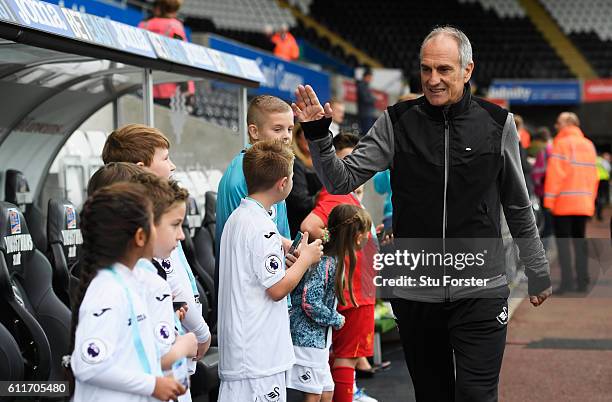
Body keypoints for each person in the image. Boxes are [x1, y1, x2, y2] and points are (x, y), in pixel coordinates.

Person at [291, 26, 551, 401]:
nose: (433, 79)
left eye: (444, 70)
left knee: (477, 395)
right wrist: (318, 135)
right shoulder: (396, 122)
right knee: (433, 394)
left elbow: (517, 203)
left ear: (467, 70)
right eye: (426, 69)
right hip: (416, 289)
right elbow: (340, 180)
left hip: (481, 285)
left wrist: (537, 269)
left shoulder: (498, 124)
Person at [217, 140, 323, 402]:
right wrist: (305, 260)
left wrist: (287, 248)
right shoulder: (259, 227)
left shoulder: (243, 217)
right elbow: (277, 289)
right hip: (257, 355)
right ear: (283, 183)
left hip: (247, 352)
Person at [102, 124, 211, 375]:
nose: (172, 166)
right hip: (175, 343)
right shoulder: (152, 218)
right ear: (142, 169)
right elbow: (173, 281)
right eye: (165, 158)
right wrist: (201, 333)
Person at [69, 183, 186, 402]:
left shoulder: (130, 283)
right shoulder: (108, 290)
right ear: (140, 237)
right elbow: (88, 366)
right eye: (153, 222)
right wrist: (152, 385)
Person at [301, 133, 379, 402]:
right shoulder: (336, 193)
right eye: (346, 161)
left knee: (343, 357)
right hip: (354, 292)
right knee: (347, 357)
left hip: (355, 289)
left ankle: (350, 393)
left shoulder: (348, 195)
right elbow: (309, 226)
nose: (353, 167)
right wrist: (337, 239)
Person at [286, 204, 373, 402]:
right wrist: (336, 318)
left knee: (327, 392)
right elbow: (310, 302)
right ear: (356, 236)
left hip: (319, 341)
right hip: (307, 340)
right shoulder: (325, 263)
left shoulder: (332, 260)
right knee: (314, 395)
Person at [544, 112, 599, 293]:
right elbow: (594, 176)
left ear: (568, 123)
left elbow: (555, 176)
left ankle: (567, 283)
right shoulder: (589, 145)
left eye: (559, 122)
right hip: (583, 202)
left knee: (563, 244)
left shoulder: (561, 144)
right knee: (579, 241)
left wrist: (549, 201)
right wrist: (591, 200)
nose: (556, 125)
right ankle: (583, 281)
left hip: (563, 203)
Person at [139, 0, 195, 108]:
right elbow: (180, 57)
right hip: (175, 90)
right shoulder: (175, 26)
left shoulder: (144, 25)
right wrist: (186, 89)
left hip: (149, 87)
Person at [286, 123, 323, 237]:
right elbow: (300, 200)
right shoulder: (296, 163)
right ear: (297, 138)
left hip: (314, 222)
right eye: (306, 136)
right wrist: (325, 199)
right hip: (300, 226)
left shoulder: (319, 162)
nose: (310, 140)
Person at [356, 68, 377, 133]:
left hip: (368, 113)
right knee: (366, 132)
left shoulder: (366, 86)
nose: (371, 79)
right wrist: (373, 99)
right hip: (365, 114)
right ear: (366, 77)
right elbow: (365, 99)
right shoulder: (361, 86)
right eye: (370, 77)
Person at [595, 152, 611, 221]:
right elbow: (609, 169)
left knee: (595, 197)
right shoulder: (603, 161)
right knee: (602, 198)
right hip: (604, 181)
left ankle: (592, 213)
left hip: (595, 180)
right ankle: (599, 215)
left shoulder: (594, 160)